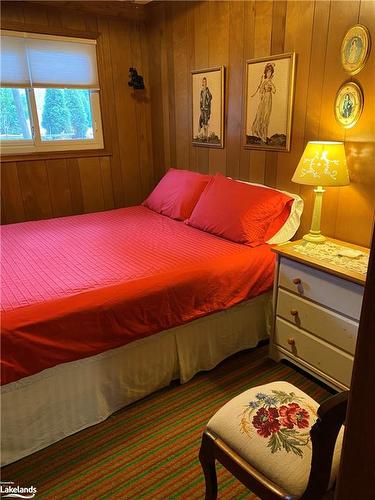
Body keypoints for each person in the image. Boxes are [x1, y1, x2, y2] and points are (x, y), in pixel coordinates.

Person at [251, 63, 276, 143]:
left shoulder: (270, 81)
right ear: (265, 72)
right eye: (268, 72)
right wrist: (264, 91)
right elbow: (261, 91)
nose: (269, 74)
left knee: (267, 117)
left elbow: (274, 91)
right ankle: (262, 134)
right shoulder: (265, 81)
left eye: (270, 72)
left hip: (269, 99)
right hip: (265, 99)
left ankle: (264, 135)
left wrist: (271, 84)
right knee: (263, 116)